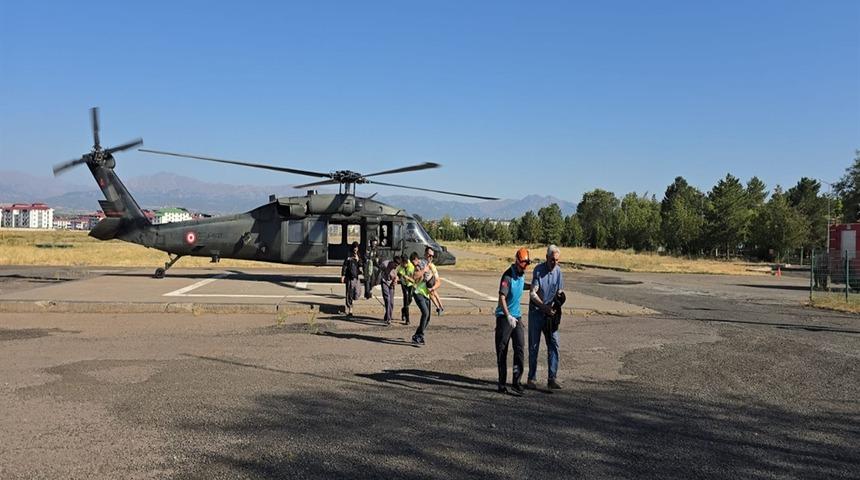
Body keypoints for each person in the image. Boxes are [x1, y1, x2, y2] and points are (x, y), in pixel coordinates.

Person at [526, 244, 565, 390]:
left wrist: (558, 303)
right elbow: (532, 293)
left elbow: (559, 291)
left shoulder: (559, 272)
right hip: (537, 312)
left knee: (554, 344)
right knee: (534, 346)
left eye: (557, 260)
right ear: (546, 258)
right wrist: (544, 307)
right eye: (552, 260)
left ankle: (552, 378)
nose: (554, 263)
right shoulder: (538, 270)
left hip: (550, 315)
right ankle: (531, 378)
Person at [495, 247, 531, 394]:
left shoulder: (521, 274)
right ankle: (502, 383)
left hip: (517, 317)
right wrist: (508, 315)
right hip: (505, 318)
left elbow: (522, 285)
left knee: (520, 348)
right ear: (517, 262)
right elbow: (502, 297)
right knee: (502, 350)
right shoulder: (507, 276)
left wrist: (532, 286)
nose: (525, 268)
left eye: (527, 265)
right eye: (524, 264)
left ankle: (516, 381)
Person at [410, 251, 432, 345]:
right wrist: (424, 270)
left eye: (413, 262)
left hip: (426, 293)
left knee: (428, 318)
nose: (412, 264)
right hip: (417, 293)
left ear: (416, 259)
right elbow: (415, 276)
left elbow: (429, 262)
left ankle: (417, 335)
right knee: (425, 313)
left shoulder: (424, 263)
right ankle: (420, 335)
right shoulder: (415, 269)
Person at [340, 241, 363, 317]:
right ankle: (350, 309)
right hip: (350, 277)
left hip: (356, 277)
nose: (355, 249)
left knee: (358, 292)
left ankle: (352, 301)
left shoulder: (358, 255)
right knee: (349, 293)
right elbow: (345, 265)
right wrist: (343, 275)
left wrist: (358, 259)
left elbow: (361, 265)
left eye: (357, 247)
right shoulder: (348, 255)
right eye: (354, 247)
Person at [379, 255, 400, 325]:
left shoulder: (397, 268)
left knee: (391, 302)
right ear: (393, 262)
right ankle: (388, 319)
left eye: (397, 266)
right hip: (384, 282)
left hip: (391, 284)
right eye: (395, 265)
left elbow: (397, 277)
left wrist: (396, 279)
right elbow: (379, 269)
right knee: (387, 299)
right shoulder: (385, 264)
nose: (395, 267)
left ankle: (387, 315)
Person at [423, 247, 445, 315]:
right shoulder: (422, 262)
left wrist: (433, 287)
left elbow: (438, 280)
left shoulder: (432, 266)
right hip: (427, 284)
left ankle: (439, 307)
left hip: (430, 283)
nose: (431, 257)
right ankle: (440, 307)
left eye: (432, 256)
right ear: (425, 254)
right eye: (429, 255)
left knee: (432, 294)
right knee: (434, 293)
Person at [396, 254, 415, 325]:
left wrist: (408, 278)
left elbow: (413, 278)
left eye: (403, 263)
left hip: (410, 285)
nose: (401, 264)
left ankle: (403, 309)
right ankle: (407, 319)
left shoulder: (411, 267)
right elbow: (399, 274)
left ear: (406, 262)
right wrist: (400, 277)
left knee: (410, 299)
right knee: (406, 299)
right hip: (404, 284)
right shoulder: (401, 267)